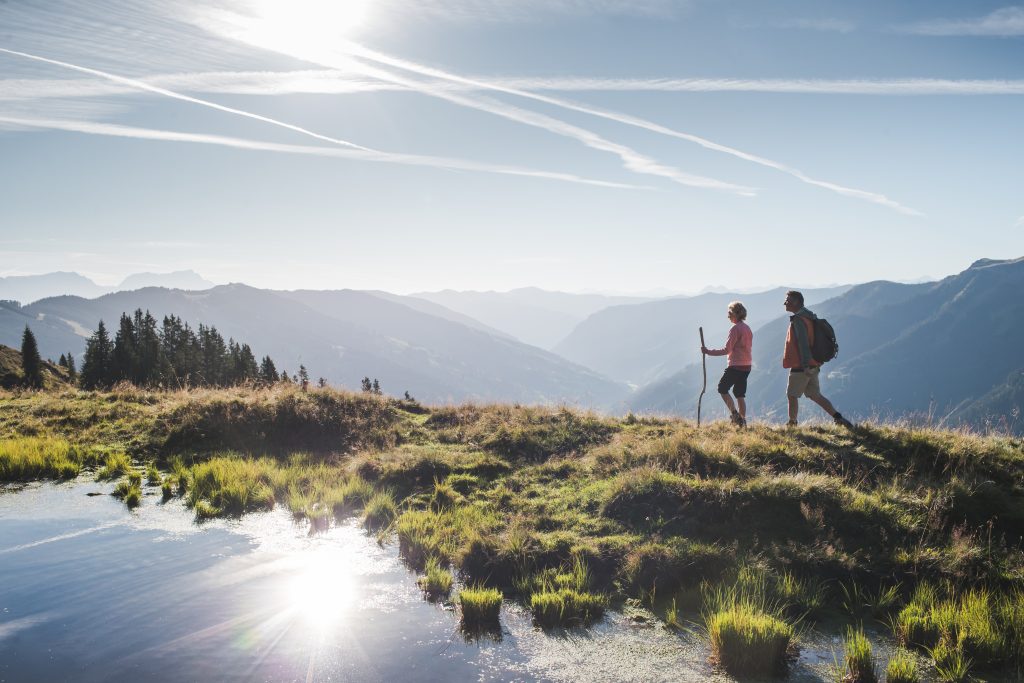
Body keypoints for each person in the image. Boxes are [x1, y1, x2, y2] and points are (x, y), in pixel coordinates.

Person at [782, 290, 854, 428]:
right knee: (815, 395)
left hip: (802, 365)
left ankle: (792, 424)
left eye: (787, 300)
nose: (785, 303)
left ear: (796, 302)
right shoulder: (810, 316)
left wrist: (805, 364)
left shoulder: (798, 319)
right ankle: (838, 418)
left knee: (792, 395)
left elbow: (803, 343)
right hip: (814, 362)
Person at [702, 301, 752, 427]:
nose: (728, 316)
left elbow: (727, 350)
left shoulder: (735, 329)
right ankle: (743, 421)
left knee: (722, 388)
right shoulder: (747, 328)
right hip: (747, 366)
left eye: (730, 313)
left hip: (736, 365)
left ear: (736, 313)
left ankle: (735, 415)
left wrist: (708, 352)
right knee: (740, 394)